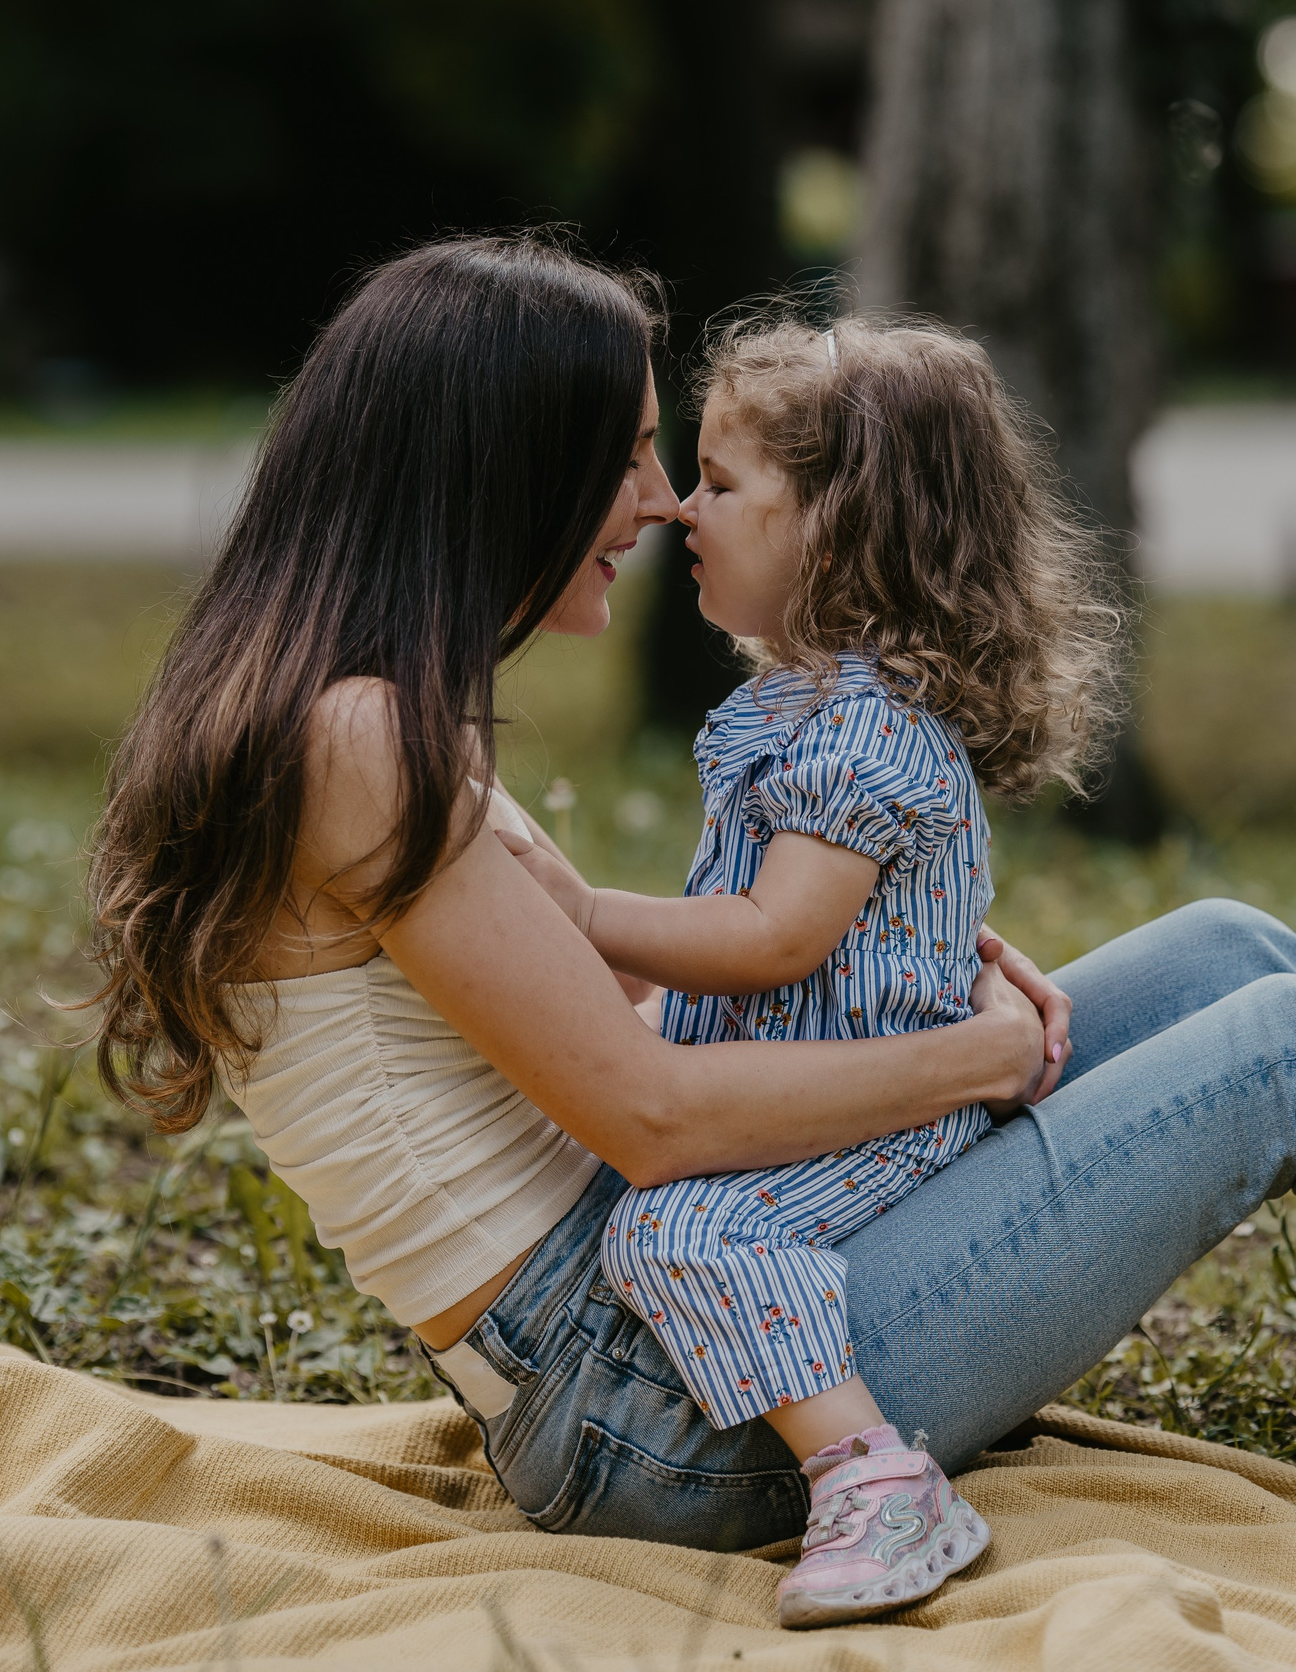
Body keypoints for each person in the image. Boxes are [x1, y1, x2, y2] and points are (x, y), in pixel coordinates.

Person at [84, 235, 1296, 1595]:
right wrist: (968, 1058)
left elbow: (638, 1041)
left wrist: (903, 1006)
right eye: (623, 459)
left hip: (684, 1312)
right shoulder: (365, 737)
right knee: (1285, 1062)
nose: (661, 504)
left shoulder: (361, 706)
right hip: (663, 1406)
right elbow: (656, 1118)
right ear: (500, 471)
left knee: (1226, 957)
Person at [498, 313, 1123, 1625]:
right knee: (665, 1214)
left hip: (891, 1105)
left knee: (678, 1229)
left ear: (835, 532)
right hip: (831, 1080)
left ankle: (873, 1481)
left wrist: (585, 913)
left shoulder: (865, 735)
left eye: (721, 485)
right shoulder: (803, 709)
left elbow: (771, 940)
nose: (682, 511)